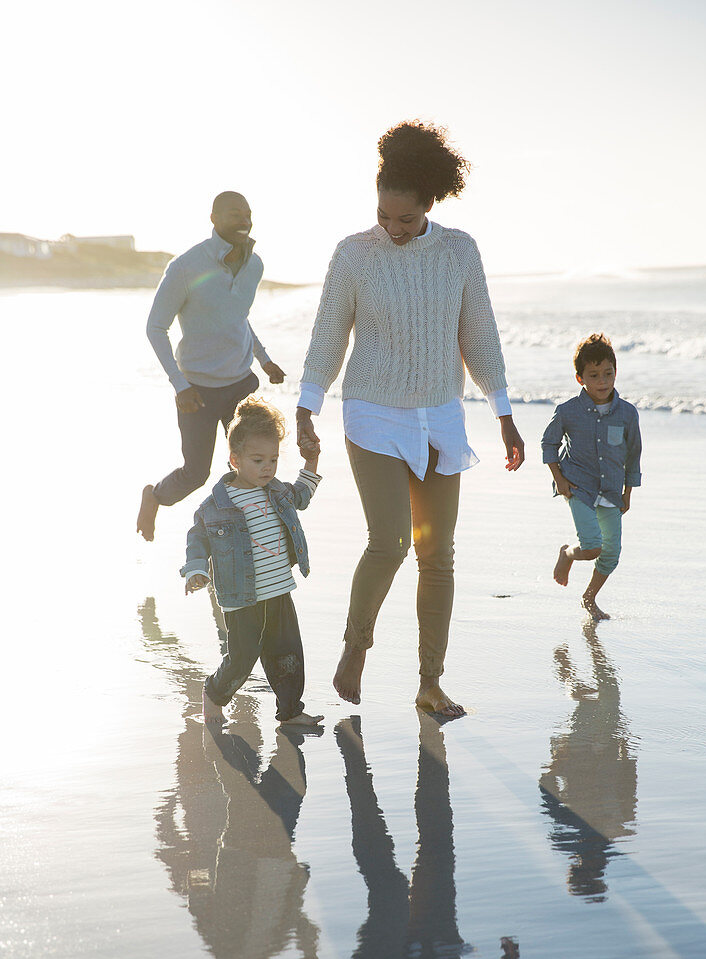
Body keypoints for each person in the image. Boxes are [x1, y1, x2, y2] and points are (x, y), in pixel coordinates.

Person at [296, 121, 525, 717]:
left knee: (438, 555)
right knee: (390, 542)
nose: (392, 230)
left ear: (430, 203)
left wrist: (503, 413)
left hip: (441, 420)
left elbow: (480, 336)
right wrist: (307, 409)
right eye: (384, 217)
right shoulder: (354, 254)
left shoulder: (458, 251)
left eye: (404, 219)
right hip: (373, 414)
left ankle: (429, 682)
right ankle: (355, 646)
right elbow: (329, 335)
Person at [137, 191, 285, 541]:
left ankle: (249, 536)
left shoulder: (255, 264)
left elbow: (238, 317)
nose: (244, 220)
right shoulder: (186, 266)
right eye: (235, 213)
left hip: (241, 385)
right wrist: (180, 385)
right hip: (197, 391)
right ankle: (154, 496)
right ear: (214, 218)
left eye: (247, 213)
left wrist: (264, 360)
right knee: (196, 472)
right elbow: (155, 327)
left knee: (253, 463)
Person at [182, 396, 323, 728]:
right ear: (235, 459)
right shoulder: (215, 506)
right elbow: (196, 539)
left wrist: (312, 460)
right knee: (242, 658)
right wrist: (196, 570)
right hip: (241, 598)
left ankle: (290, 711)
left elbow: (302, 492)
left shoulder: (276, 492)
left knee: (288, 655)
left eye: (273, 459)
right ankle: (214, 695)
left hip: (278, 591)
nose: (268, 468)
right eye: (258, 460)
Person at [541, 333, 642, 620]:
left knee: (611, 554)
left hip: (611, 490)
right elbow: (549, 444)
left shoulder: (627, 414)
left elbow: (633, 453)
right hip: (578, 487)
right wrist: (560, 480)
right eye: (594, 375)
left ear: (616, 372)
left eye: (608, 373)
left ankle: (589, 598)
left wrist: (628, 491)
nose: (602, 381)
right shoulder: (568, 411)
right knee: (592, 546)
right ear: (580, 378)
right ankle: (568, 553)